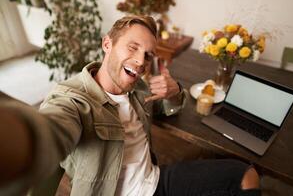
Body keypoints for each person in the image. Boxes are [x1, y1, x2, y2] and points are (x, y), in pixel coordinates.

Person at [0, 15, 260, 196]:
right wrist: (17, 136)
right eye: (133, 47)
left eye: (147, 55)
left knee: (247, 176)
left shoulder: (137, 87)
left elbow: (167, 109)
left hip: (156, 181)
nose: (140, 61)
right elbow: (51, 130)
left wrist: (175, 90)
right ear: (107, 44)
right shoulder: (74, 101)